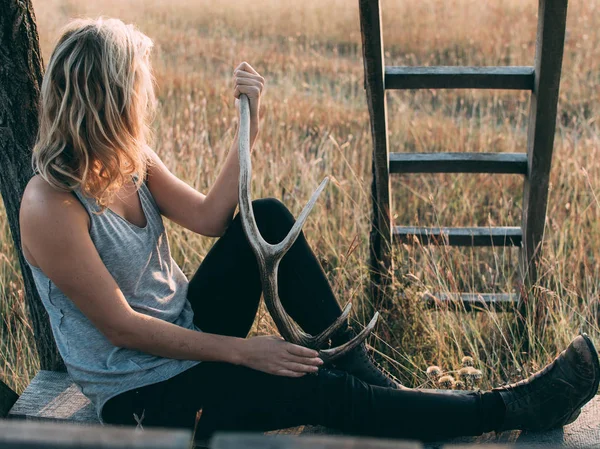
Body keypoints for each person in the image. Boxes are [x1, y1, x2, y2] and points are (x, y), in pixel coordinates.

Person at [19, 17, 599, 443]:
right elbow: (123, 328)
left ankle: (377, 387)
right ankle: (511, 409)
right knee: (321, 393)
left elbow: (211, 218)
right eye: (138, 87)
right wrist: (245, 353)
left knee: (267, 215)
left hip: (187, 332)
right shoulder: (51, 206)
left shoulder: (126, 156)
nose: (149, 98)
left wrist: (250, 121)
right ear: (109, 99)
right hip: (141, 395)